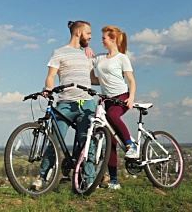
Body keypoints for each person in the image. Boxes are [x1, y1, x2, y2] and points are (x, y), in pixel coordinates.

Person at [34, 20, 98, 190]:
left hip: (87, 103)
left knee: (88, 141)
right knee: (54, 140)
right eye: (89, 33)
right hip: (65, 103)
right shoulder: (59, 52)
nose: (91, 37)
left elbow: (92, 79)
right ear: (78, 33)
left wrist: (114, 81)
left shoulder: (88, 54)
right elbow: (51, 76)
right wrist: (48, 89)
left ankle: (89, 180)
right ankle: (42, 177)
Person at [89, 25, 137, 190]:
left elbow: (131, 80)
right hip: (107, 99)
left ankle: (131, 145)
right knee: (110, 142)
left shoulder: (122, 58)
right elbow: (95, 80)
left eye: (104, 38)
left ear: (113, 39)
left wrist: (131, 98)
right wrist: (86, 51)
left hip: (121, 96)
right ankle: (114, 181)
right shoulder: (100, 58)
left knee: (112, 116)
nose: (101, 40)